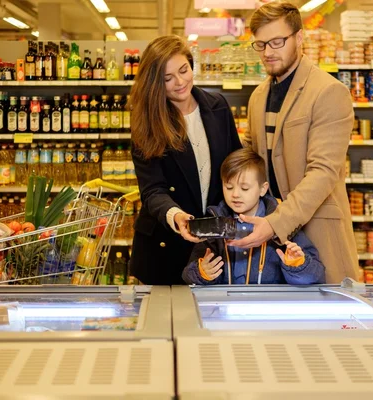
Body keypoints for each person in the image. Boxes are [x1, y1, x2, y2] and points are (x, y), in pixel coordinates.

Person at [230, 2, 360, 283]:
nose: (268, 52)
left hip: (314, 233)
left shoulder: (328, 92)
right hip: (268, 237)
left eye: (277, 42)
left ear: (300, 38)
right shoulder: (258, 97)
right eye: (261, 44)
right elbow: (251, 160)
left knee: (322, 322)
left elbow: (323, 173)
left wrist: (275, 223)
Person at [129, 35, 241, 285]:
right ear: (154, 83)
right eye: (168, 78)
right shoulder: (147, 122)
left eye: (184, 70)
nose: (180, 82)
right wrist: (175, 215)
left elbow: (235, 164)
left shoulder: (218, 106)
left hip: (213, 244)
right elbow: (152, 190)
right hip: (164, 248)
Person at [182, 148, 325, 285]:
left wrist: (296, 265)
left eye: (244, 188)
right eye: (229, 187)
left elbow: (316, 275)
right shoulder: (215, 221)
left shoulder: (281, 220)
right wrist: (203, 273)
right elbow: (188, 274)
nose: (235, 194)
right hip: (226, 306)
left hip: (270, 306)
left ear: (263, 189)